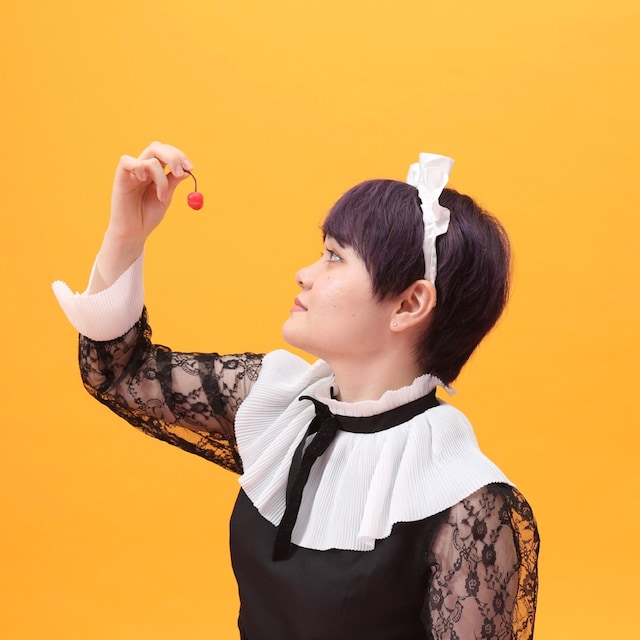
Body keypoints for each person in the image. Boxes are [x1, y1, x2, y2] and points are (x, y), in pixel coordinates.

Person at [53, 142, 540, 640]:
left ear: (409, 304)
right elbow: (117, 373)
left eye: (334, 256)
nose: (304, 274)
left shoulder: (467, 504)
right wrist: (126, 234)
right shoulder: (281, 405)